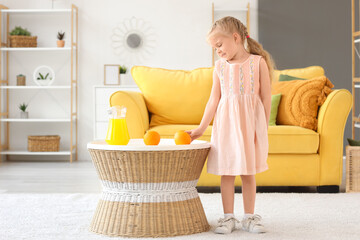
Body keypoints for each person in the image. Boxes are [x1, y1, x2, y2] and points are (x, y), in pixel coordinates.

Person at [185, 16, 275, 234]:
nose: (218, 51)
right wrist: (200, 128)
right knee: (226, 172)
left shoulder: (258, 62)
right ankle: (228, 218)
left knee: (248, 173)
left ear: (235, 38)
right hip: (226, 126)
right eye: (215, 48)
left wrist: (262, 125)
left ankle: (249, 217)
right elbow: (213, 100)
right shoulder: (219, 67)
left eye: (219, 45)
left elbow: (265, 97)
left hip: (249, 126)